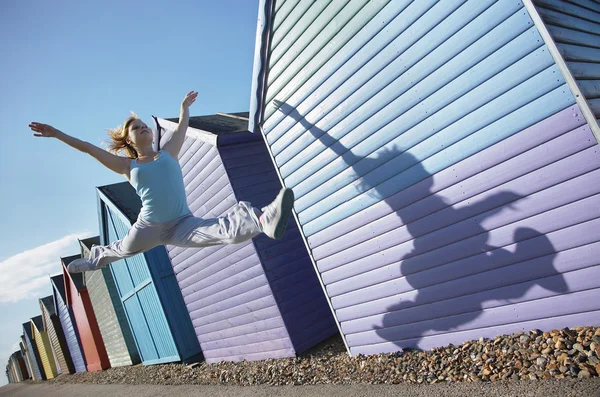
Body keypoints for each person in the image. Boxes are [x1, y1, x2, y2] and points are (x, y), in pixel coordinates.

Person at [29, 91, 294, 273]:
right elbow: (88, 148)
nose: (143, 127)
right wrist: (56, 134)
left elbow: (180, 128)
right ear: (129, 140)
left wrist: (183, 109)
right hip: (148, 228)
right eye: (136, 128)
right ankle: (94, 260)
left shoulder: (168, 153)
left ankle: (262, 221)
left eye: (145, 125)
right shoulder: (127, 166)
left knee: (219, 230)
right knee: (121, 249)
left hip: (182, 223)